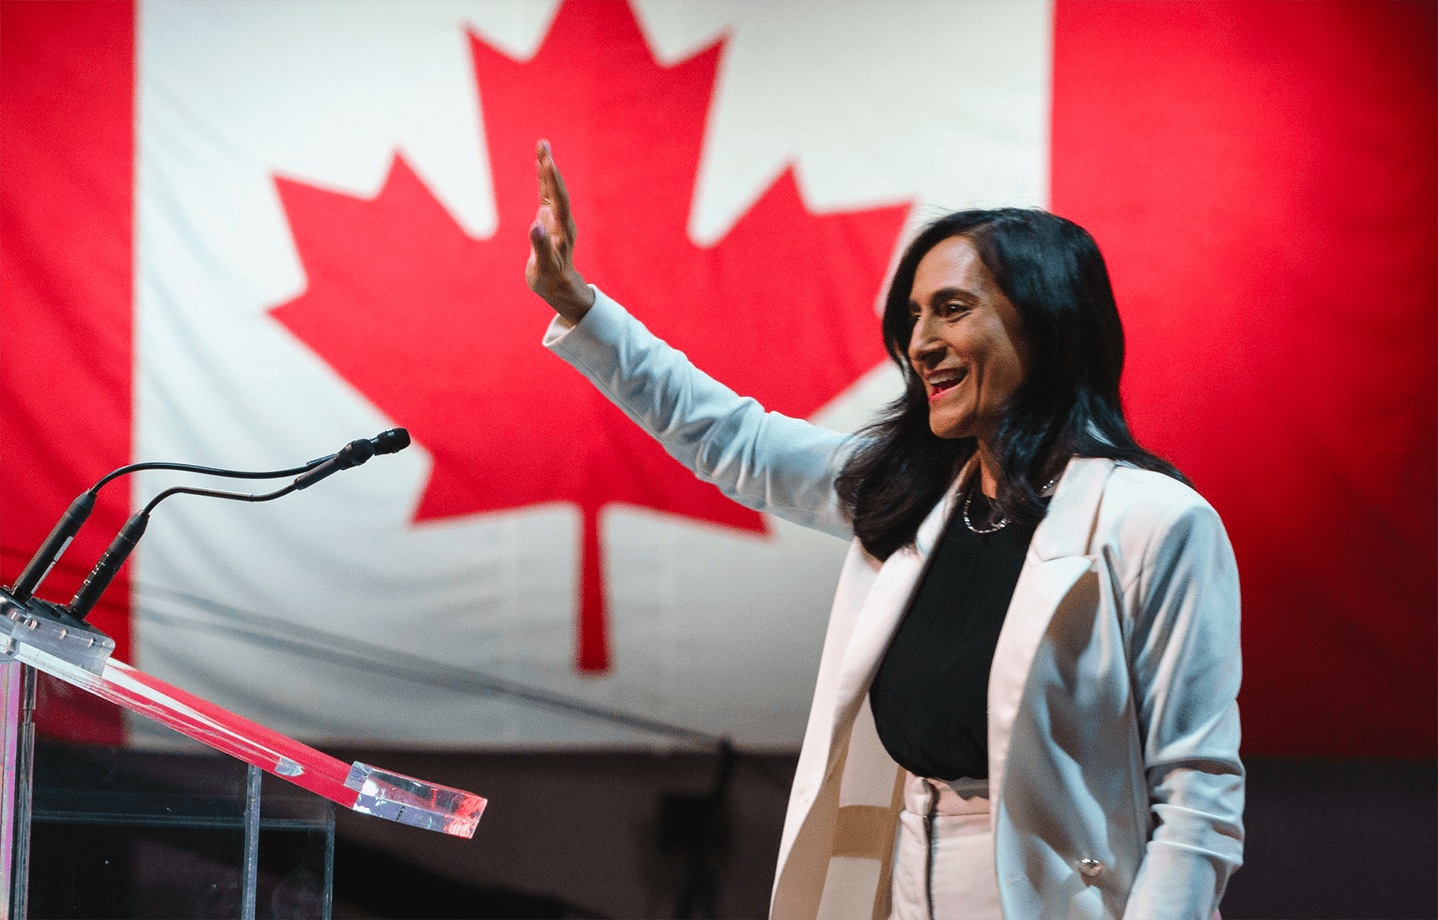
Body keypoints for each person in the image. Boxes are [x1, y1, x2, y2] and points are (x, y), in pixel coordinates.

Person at [525, 139, 1243, 920]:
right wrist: (581, 310)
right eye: (913, 316)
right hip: (906, 889)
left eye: (953, 308)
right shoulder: (916, 495)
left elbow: (1198, 797)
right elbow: (735, 440)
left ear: (1046, 323)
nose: (921, 342)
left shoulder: (1157, 521)